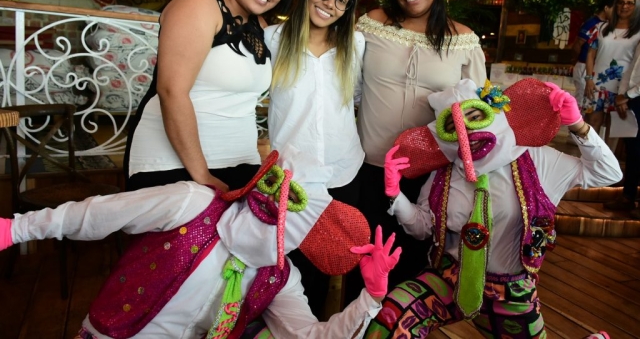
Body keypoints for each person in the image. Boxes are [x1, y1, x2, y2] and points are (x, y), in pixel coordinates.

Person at [0, 151, 402, 339]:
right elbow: (100, 214)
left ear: (304, 234)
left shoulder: (280, 277)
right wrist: (16, 230)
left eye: (289, 199)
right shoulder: (193, 203)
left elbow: (307, 338)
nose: (270, 196)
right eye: (273, 182)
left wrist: (371, 297)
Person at [364, 78, 622, 338]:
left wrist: (579, 127)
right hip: (448, 278)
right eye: (454, 127)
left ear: (495, 113)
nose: (468, 134)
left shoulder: (537, 160)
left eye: (475, 116)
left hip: (509, 292)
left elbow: (607, 173)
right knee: (388, 320)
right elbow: (422, 229)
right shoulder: (443, 174)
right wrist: (396, 196)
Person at [352, 0, 487, 296]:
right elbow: (347, 82)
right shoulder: (373, 24)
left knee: (412, 265)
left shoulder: (463, 39)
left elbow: (478, 111)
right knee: (364, 262)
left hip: (429, 176)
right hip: (369, 168)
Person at [123, 0, 297, 192]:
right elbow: (172, 91)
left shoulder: (259, 26)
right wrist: (202, 174)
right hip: (176, 166)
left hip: (239, 164)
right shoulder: (200, 3)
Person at [264, 0, 364, 317]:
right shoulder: (273, 40)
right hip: (294, 176)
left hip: (342, 170)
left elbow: (354, 100)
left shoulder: (355, 45)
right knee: (288, 265)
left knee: (330, 264)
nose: (330, 3)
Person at [584, 0, 640, 136]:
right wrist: (588, 78)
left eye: (629, 3)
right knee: (592, 124)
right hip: (596, 83)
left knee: (614, 128)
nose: (624, 6)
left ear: (636, 7)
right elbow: (590, 54)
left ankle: (609, 159)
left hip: (621, 87)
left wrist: (628, 92)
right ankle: (590, 158)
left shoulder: (638, 32)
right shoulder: (600, 28)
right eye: (621, 2)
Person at [608, 43, 640, 215]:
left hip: (635, 95)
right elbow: (631, 69)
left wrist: (627, 95)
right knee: (633, 150)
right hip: (633, 97)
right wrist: (622, 94)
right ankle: (628, 196)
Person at [571, 0, 615, 107]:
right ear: (606, 8)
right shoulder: (592, 23)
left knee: (591, 102)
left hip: (595, 69)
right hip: (584, 66)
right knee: (582, 100)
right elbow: (577, 45)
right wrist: (577, 62)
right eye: (614, 9)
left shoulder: (608, 25)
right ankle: (576, 123)